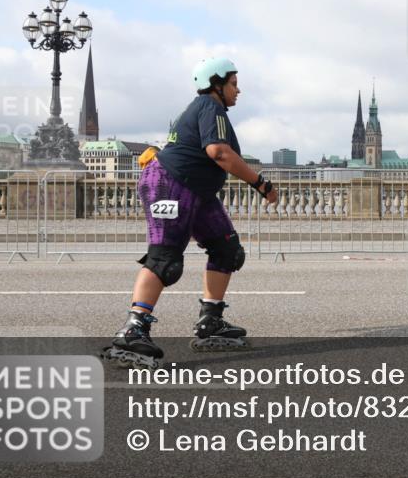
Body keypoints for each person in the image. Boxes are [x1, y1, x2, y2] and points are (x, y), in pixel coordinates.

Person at [102, 57, 278, 369]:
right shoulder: (210, 107)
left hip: (195, 189)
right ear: (216, 84)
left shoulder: (208, 109)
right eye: (234, 84)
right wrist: (260, 183)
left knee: (226, 250)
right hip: (169, 184)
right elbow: (219, 152)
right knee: (164, 260)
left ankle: (211, 321)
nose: (239, 90)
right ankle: (133, 329)